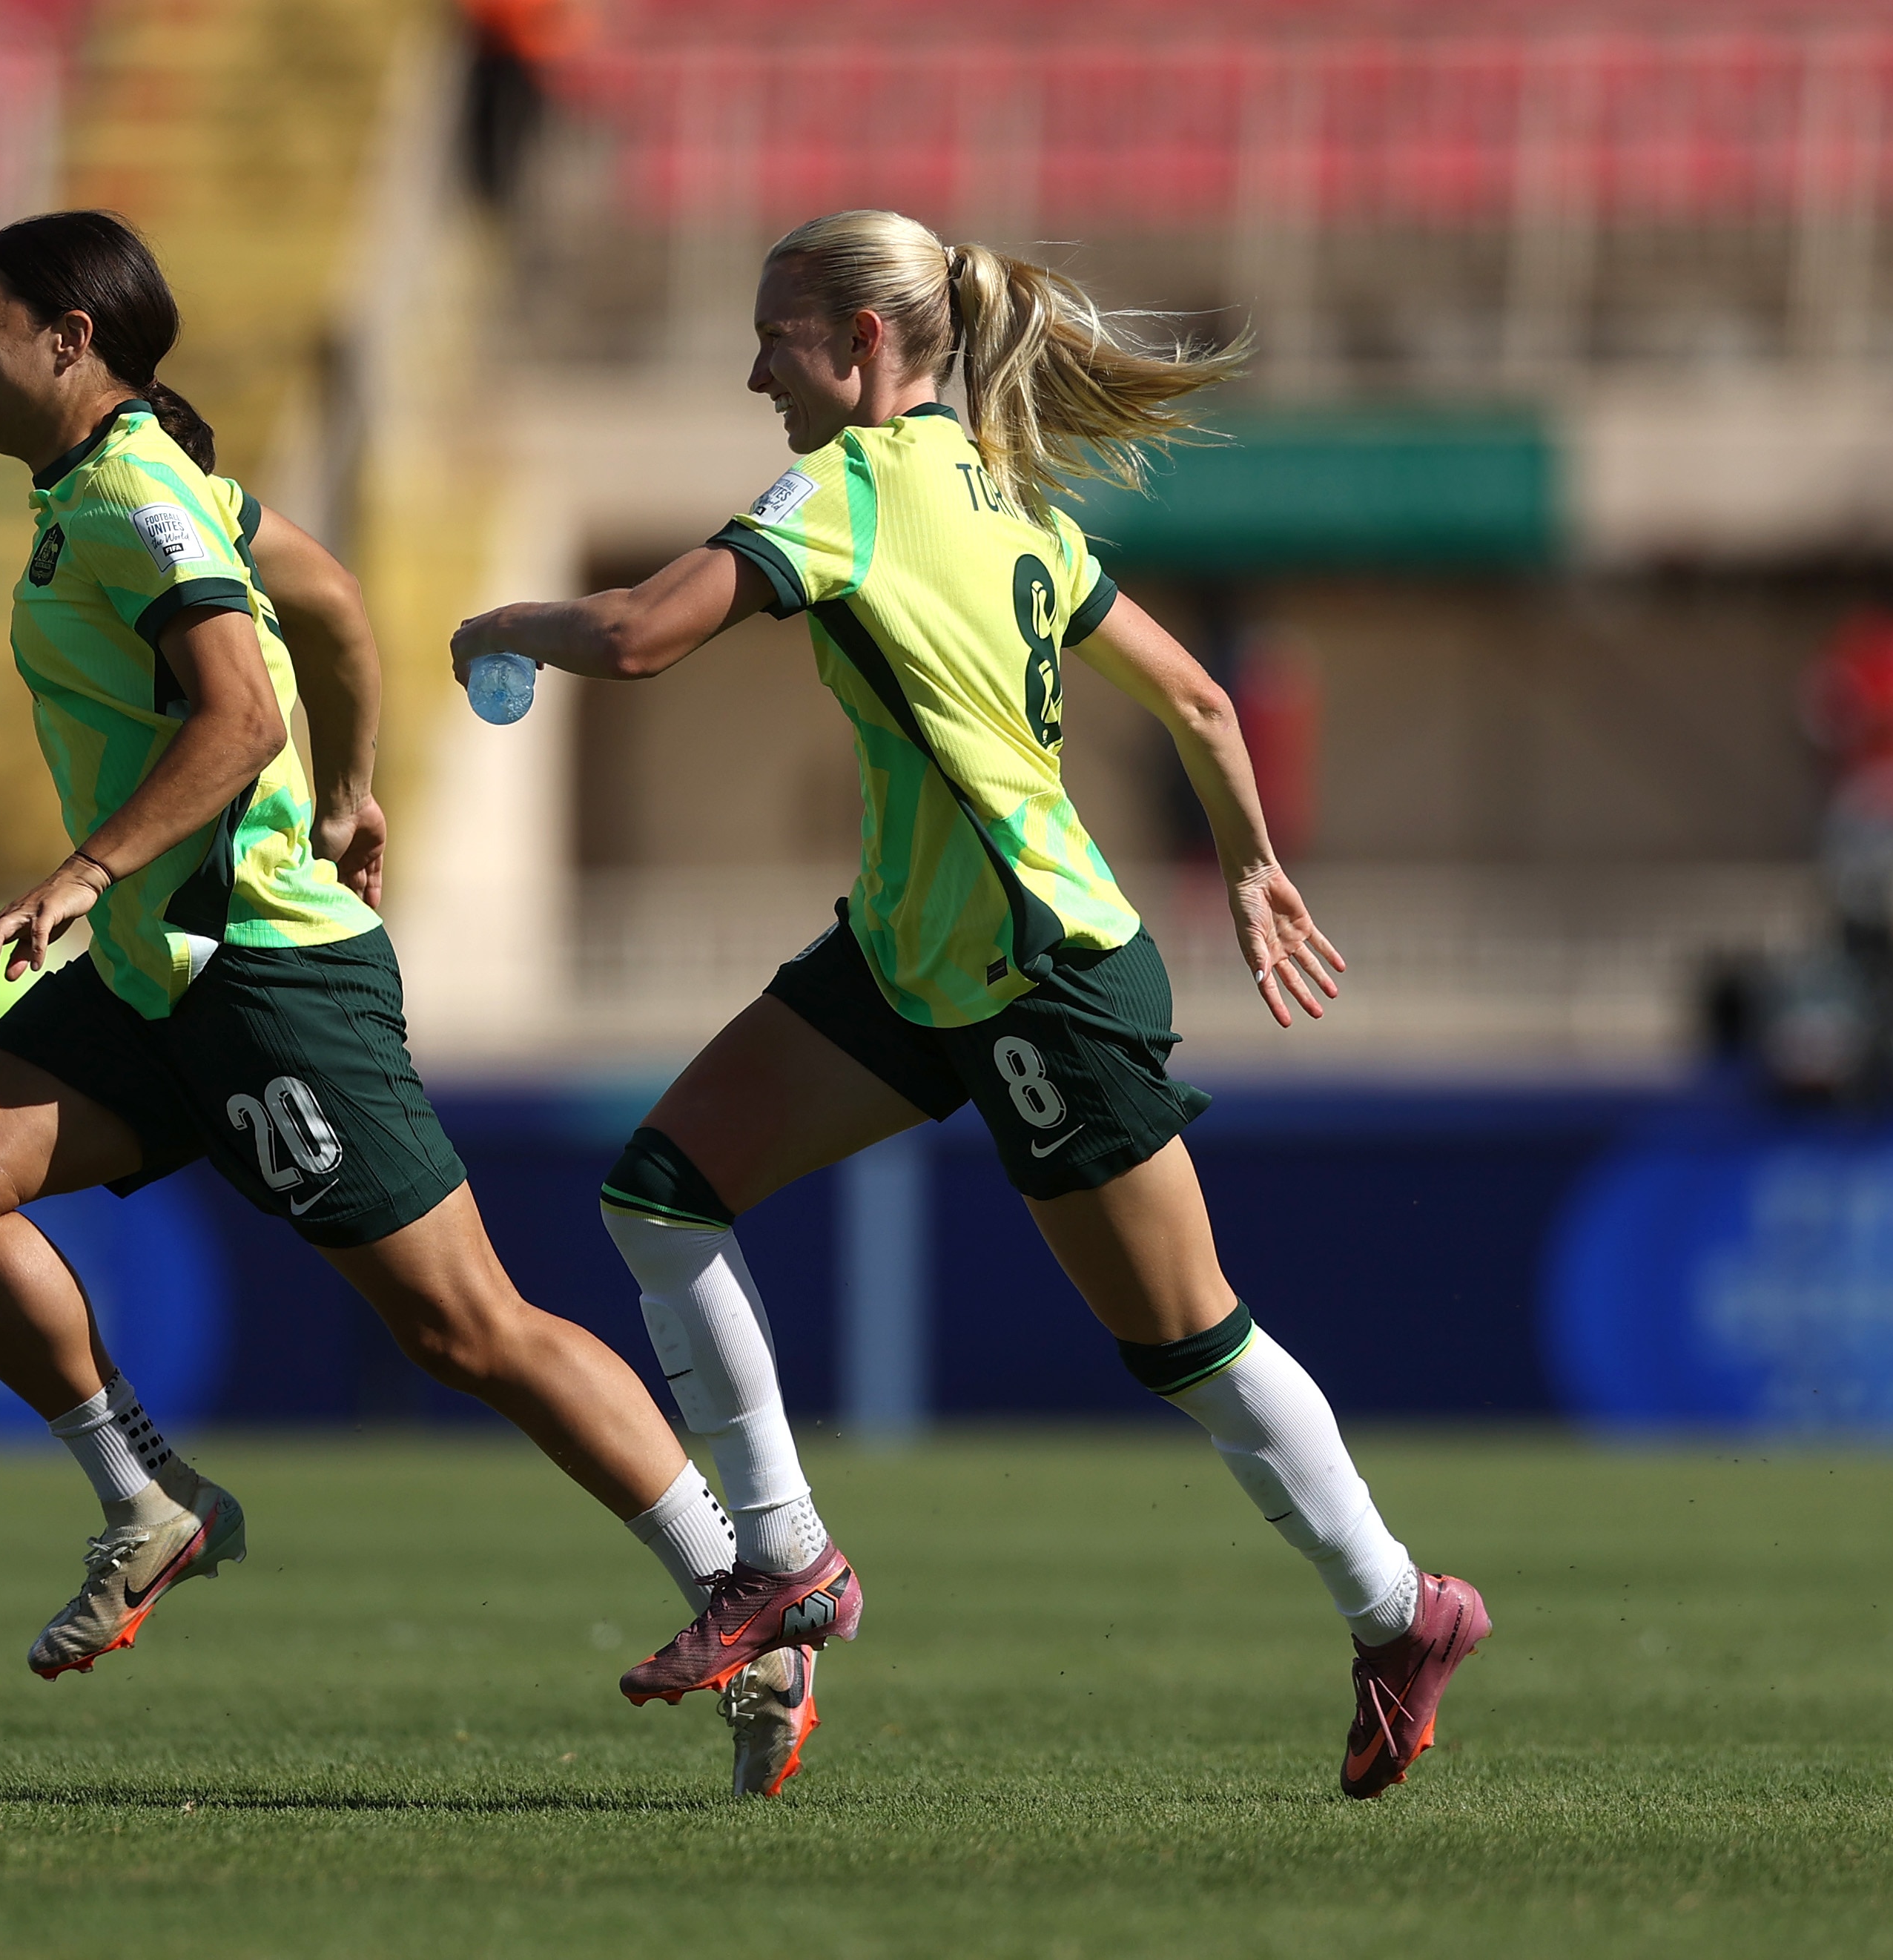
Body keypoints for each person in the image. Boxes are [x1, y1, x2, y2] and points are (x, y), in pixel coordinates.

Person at [451, 208, 1490, 1801]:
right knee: (659, 1193)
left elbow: (644, 635)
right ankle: (783, 1558)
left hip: (1034, 975)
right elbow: (1201, 697)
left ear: (864, 346)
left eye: (775, 338)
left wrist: (504, 620)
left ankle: (1399, 1608)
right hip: (910, 955)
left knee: (1190, 1342)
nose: (752, 372)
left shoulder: (850, 489)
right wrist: (1256, 861)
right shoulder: (1005, 503)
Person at [0, 209, 708, 1686]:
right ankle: (147, 1499)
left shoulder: (141, 499)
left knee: (467, 1327)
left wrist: (85, 870)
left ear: (71, 343)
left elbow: (242, 708)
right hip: (161, 968)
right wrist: (354, 785)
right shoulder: (152, 490)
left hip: (260, 965)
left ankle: (749, 1573)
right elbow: (327, 606)